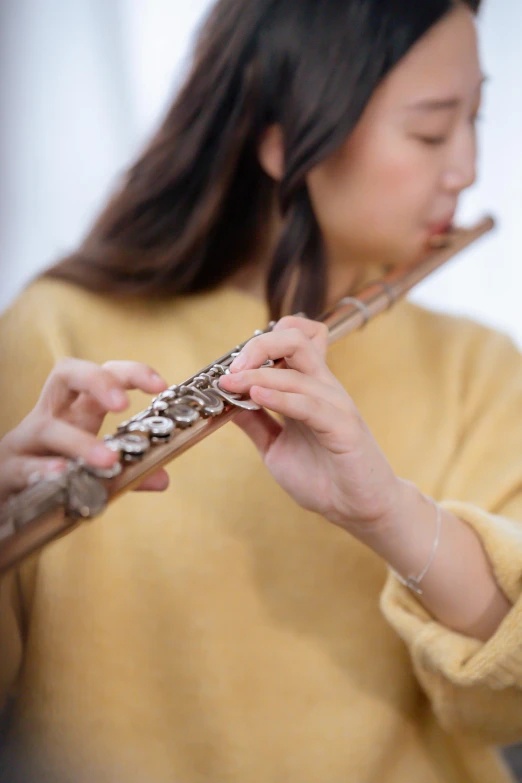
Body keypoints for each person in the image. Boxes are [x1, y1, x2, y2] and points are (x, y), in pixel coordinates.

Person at [1, 0, 522, 781]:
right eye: (430, 129)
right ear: (281, 138)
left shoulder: (479, 367)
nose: (467, 168)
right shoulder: (55, 331)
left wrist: (388, 511)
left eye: (475, 118)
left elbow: (507, 703)